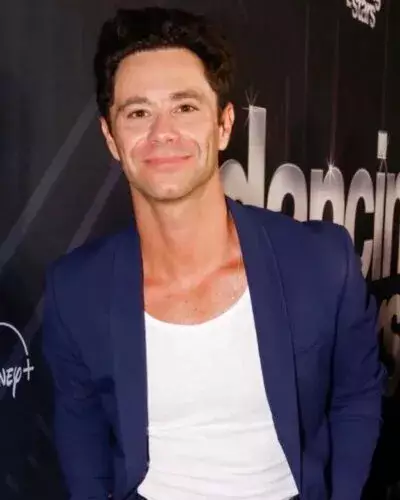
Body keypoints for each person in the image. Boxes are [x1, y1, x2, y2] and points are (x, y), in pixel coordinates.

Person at [42, 7, 384, 500]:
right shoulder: (75, 290)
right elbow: (82, 438)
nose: (162, 132)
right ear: (111, 138)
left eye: (185, 107)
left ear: (224, 125)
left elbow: (357, 394)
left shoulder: (321, 262)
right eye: (138, 113)